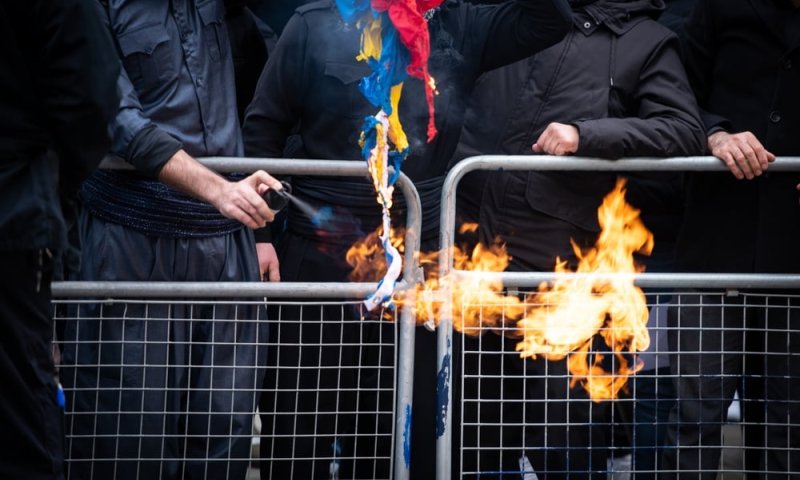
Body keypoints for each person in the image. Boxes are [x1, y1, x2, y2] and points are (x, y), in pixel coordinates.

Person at [242, 0, 573, 477]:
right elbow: (263, 129)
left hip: (420, 258)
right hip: (322, 251)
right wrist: (261, 235)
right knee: (301, 423)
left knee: (397, 427)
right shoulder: (315, 23)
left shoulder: (461, 22)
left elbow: (550, 19)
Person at [449, 0, 704, 476]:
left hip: (561, 288)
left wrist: (587, 135)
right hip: (468, 271)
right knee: (471, 445)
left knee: (563, 447)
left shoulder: (648, 41)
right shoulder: (508, 14)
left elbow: (684, 130)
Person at [58, 1, 284, 479]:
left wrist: (256, 228)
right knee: (127, 434)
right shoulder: (92, 9)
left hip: (225, 251)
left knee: (224, 430)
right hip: (133, 246)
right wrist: (219, 191)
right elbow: (117, 120)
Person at [661, 0, 800, 477]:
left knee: (790, 423)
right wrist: (714, 134)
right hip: (713, 243)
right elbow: (676, 94)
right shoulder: (718, 6)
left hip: (792, 256)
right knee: (694, 418)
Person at [0, 1, 119, 478]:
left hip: (17, 209)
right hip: (12, 217)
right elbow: (91, 97)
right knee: (21, 426)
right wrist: (54, 185)